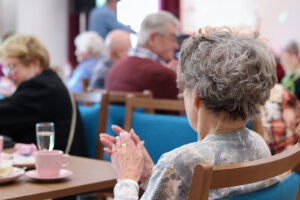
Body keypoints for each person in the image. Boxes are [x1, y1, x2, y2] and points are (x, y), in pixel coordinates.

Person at [100, 27, 279, 199]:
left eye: (183, 90)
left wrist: (127, 178)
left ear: (197, 99)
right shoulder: (258, 146)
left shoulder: (180, 164)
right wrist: (151, 174)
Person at [0, 34, 87, 157]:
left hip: (62, 167)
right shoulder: (48, 82)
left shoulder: (43, 88)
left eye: (12, 67)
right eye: (6, 69)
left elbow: (4, 116)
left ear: (35, 63)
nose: (8, 75)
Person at [105, 11, 179, 99]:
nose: (176, 45)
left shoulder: (114, 69)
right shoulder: (163, 76)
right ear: (153, 38)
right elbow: (182, 111)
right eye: (172, 38)